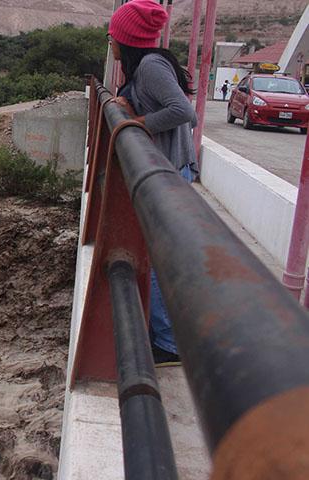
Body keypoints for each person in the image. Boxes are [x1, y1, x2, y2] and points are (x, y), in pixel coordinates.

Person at [109, 0, 197, 367]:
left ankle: (167, 343)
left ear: (125, 38)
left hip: (171, 170)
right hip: (165, 168)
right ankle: (165, 333)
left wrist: (139, 123)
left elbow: (183, 111)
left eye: (113, 33)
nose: (110, 39)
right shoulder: (143, 68)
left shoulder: (151, 65)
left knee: (160, 259)